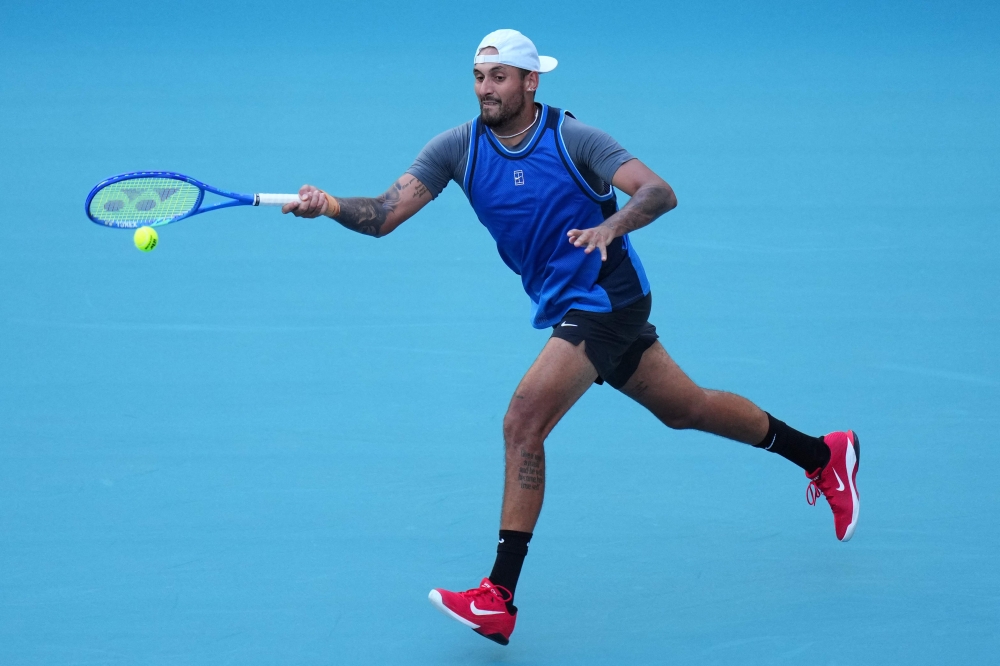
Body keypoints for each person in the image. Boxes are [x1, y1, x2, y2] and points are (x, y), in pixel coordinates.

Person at [282, 29, 860, 646]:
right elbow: (383, 215)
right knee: (685, 409)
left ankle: (497, 596)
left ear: (531, 82)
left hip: (607, 298)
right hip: (569, 304)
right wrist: (330, 206)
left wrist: (612, 224)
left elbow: (658, 192)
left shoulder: (573, 138)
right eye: (479, 76)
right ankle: (824, 455)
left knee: (522, 420)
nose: (486, 88)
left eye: (499, 77)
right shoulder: (457, 148)